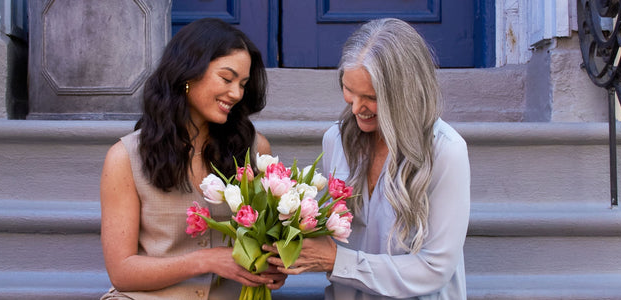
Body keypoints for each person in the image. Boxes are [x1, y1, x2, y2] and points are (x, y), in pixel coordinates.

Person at [265, 18, 470, 299]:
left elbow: (435, 268)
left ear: (405, 94)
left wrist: (338, 262)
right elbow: (335, 237)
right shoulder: (335, 140)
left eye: (371, 97)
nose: (357, 108)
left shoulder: (446, 151)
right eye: (349, 91)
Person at [99, 18, 286, 299]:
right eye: (226, 78)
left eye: (243, 84)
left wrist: (273, 267)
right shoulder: (125, 158)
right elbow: (122, 272)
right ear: (188, 73)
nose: (236, 93)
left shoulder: (254, 151)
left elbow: (266, 245)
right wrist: (206, 260)